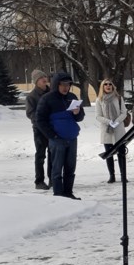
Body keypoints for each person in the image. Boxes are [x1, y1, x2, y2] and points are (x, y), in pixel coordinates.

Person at [36, 71, 86, 199]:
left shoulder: (72, 97)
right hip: (57, 140)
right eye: (63, 84)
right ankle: (58, 195)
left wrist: (77, 113)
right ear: (56, 84)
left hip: (72, 138)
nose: (66, 87)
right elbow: (40, 120)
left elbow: (80, 117)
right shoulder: (47, 99)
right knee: (57, 169)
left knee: (70, 169)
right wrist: (53, 136)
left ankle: (68, 193)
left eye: (68, 85)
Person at [95, 78, 128, 184]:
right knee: (109, 154)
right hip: (107, 130)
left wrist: (116, 122)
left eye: (110, 84)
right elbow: (98, 116)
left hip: (118, 129)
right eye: (105, 84)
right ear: (102, 87)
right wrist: (109, 122)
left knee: (121, 153)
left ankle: (123, 175)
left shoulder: (118, 98)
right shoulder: (99, 100)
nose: (108, 86)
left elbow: (124, 113)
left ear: (113, 86)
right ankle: (112, 175)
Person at [25, 70, 52, 190]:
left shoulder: (52, 92)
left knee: (53, 154)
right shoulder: (32, 96)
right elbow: (30, 113)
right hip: (39, 130)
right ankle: (39, 181)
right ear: (36, 81)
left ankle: (53, 179)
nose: (44, 79)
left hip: (52, 128)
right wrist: (41, 120)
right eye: (41, 78)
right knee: (40, 155)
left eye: (45, 76)